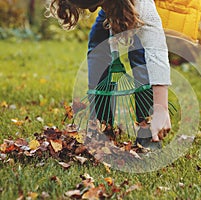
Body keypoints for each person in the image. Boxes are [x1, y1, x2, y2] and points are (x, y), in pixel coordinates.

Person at [48, 0, 171, 144]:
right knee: (98, 43)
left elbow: (156, 50)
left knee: (139, 51)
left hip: (130, 6)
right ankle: (102, 126)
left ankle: (148, 126)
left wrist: (161, 108)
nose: (93, 10)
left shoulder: (143, 7)